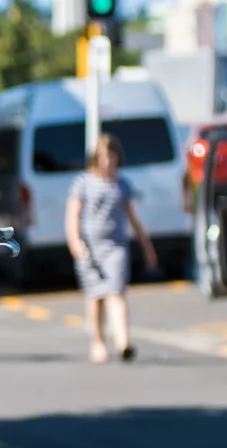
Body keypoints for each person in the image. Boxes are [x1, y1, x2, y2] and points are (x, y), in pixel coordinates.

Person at [66, 134, 159, 364]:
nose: (107, 161)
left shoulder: (122, 184)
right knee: (95, 296)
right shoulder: (83, 182)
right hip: (90, 247)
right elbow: (72, 215)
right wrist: (75, 243)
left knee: (116, 291)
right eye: (102, 157)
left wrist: (147, 248)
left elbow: (133, 218)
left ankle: (122, 341)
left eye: (111, 156)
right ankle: (98, 341)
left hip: (115, 246)